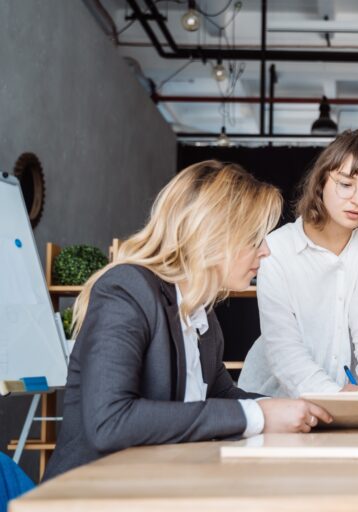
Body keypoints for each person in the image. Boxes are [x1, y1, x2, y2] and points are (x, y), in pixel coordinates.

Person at [44, 161, 332, 480]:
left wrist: (306, 409)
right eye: (255, 238)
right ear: (213, 235)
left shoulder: (201, 315)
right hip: (90, 496)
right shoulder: (126, 290)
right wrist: (260, 414)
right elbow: (109, 422)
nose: (266, 251)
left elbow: (222, 395)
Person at [239, 129, 358, 397]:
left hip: (354, 400)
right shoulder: (277, 249)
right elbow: (283, 348)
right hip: (279, 397)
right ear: (321, 182)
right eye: (345, 184)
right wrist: (334, 396)